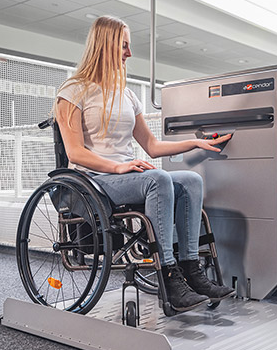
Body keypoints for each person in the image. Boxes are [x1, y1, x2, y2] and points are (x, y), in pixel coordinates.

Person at [55, 16, 234, 312]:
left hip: (125, 176)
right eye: (124, 45)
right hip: (95, 179)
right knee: (159, 178)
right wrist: (118, 167)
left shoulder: (126, 94)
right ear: (106, 44)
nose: (129, 53)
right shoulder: (74, 90)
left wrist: (196, 142)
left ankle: (190, 267)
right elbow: (75, 153)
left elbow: (151, 145)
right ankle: (168, 274)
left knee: (191, 181)